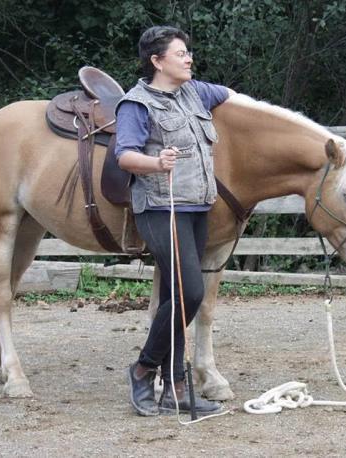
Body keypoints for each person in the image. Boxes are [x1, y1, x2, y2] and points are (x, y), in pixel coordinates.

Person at [115, 25, 234, 417]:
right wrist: (156, 162)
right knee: (191, 293)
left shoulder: (196, 92)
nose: (188, 58)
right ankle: (143, 368)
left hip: (197, 207)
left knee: (175, 297)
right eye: (180, 53)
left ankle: (177, 390)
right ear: (156, 61)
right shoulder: (137, 104)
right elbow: (125, 156)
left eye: (188, 53)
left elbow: (234, 97)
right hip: (159, 208)